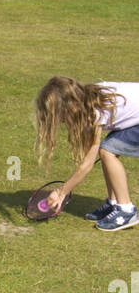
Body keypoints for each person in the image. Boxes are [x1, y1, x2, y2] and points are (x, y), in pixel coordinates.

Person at [36, 77, 139, 231]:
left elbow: (87, 164)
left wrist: (61, 192)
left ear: (68, 107)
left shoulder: (95, 111)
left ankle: (126, 210)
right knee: (108, 149)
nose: (60, 120)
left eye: (58, 114)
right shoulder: (89, 98)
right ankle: (114, 204)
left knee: (107, 151)